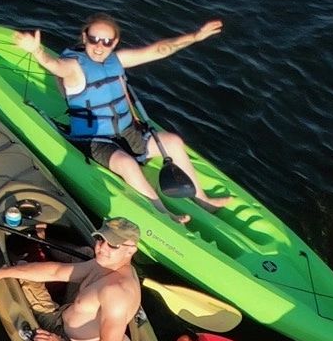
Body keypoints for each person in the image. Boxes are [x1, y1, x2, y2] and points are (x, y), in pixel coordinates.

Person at [13, 17, 232, 222]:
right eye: (94, 39)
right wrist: (37, 51)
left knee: (173, 141)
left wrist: (195, 36)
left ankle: (203, 200)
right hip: (95, 139)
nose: (99, 46)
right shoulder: (73, 67)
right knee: (128, 164)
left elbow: (159, 50)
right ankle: (164, 214)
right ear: (84, 37)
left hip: (128, 131)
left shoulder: (117, 60)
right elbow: (54, 66)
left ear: (115, 42)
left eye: (107, 41)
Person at [0, 217, 143, 341]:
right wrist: (0, 273)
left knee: (21, 269)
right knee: (85, 253)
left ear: (131, 250)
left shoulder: (117, 293)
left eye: (113, 245)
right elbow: (56, 272)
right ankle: (45, 240)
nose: (102, 248)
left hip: (65, 334)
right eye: (100, 239)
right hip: (73, 310)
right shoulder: (105, 264)